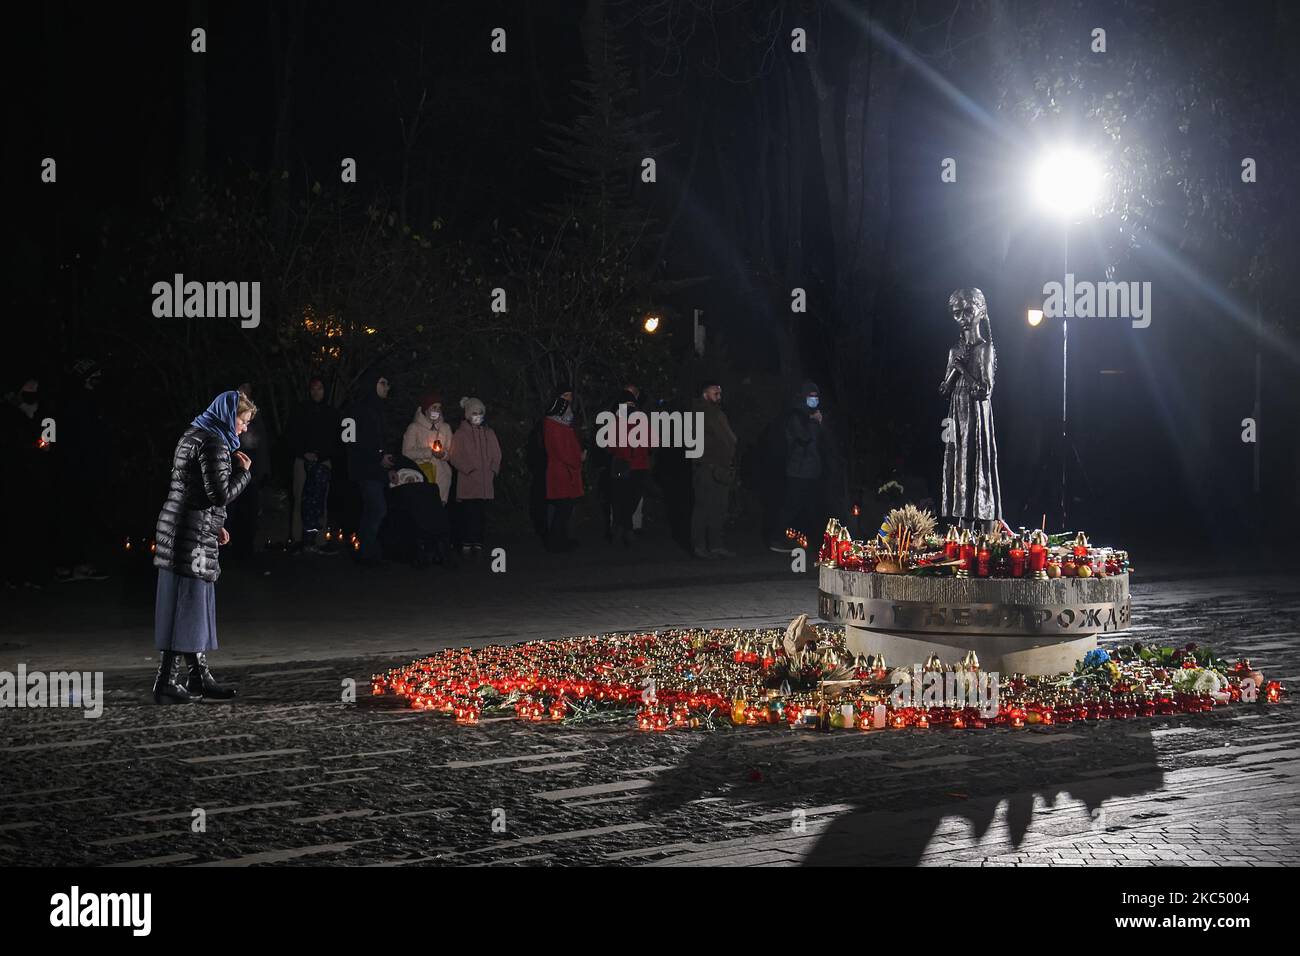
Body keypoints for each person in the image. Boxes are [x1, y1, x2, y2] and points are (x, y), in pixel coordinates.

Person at [151, 390, 255, 703]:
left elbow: (192, 488)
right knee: (188, 605)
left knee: (187, 607)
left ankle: (196, 677)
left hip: (185, 528)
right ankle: (168, 681)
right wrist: (244, 474)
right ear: (228, 415)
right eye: (242, 419)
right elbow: (218, 494)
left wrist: (215, 526)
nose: (244, 428)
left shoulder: (194, 434)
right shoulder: (214, 441)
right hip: (190, 536)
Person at [939, 288, 1002, 531]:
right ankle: (964, 524)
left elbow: (984, 390)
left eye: (968, 310)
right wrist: (952, 374)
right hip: (958, 414)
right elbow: (944, 389)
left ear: (981, 311)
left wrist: (963, 369)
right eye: (957, 313)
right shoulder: (954, 351)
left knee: (978, 464)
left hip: (977, 416)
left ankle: (985, 525)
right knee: (960, 464)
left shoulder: (984, 349)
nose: (963, 317)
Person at [0, 377, 54, 589]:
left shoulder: (46, 414)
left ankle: (34, 574)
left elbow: (49, 443)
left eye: (35, 387)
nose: (33, 390)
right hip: (14, 478)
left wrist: (41, 443)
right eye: (27, 387)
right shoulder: (8, 414)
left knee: (35, 526)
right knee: (14, 526)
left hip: (38, 478)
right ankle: (14, 575)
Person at [286, 375, 342, 550]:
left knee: (321, 500)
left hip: (323, 462)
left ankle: (319, 539)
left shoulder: (331, 413)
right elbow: (291, 436)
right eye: (314, 389)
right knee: (300, 498)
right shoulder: (300, 410)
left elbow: (336, 440)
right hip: (302, 461)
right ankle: (297, 538)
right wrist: (304, 453)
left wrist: (323, 455)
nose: (317, 392)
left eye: (320, 388)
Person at [771, 380, 826, 552]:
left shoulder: (815, 415)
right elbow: (803, 438)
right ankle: (776, 539)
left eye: (816, 397)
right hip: (797, 471)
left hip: (812, 471)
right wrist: (813, 421)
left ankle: (807, 540)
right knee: (791, 506)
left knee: (809, 507)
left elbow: (821, 443)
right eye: (810, 397)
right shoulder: (796, 416)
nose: (814, 400)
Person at [346, 369, 394, 565]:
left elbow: (380, 438)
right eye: (383, 383)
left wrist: (386, 462)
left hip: (374, 468)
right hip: (366, 467)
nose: (386, 387)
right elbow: (359, 441)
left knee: (372, 509)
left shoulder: (377, 409)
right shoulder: (363, 409)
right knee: (377, 508)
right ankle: (367, 550)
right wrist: (378, 457)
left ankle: (367, 550)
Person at [379, 456, 455, 569]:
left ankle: (437, 548)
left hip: (417, 489)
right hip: (401, 490)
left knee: (429, 497)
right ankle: (428, 550)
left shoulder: (403, 461)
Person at [691, 378, 737, 559]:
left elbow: (730, 439)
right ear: (705, 394)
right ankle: (699, 546)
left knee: (719, 507)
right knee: (703, 507)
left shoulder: (717, 413)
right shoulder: (699, 412)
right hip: (707, 467)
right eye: (714, 392)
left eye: (719, 392)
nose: (718, 395)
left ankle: (716, 544)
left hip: (721, 468)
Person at [448, 396, 501, 555]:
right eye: (474, 412)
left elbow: (496, 454)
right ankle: (466, 541)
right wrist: (468, 469)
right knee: (468, 513)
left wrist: (493, 469)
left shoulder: (489, 433)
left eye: (480, 413)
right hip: (469, 482)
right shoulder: (460, 433)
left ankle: (478, 541)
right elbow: (455, 455)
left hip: (485, 482)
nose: (477, 416)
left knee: (481, 514)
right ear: (468, 414)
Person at [224, 381, 271, 559]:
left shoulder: (254, 416)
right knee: (230, 507)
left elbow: (262, 443)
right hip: (233, 468)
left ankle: (245, 546)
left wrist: (263, 470)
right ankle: (228, 545)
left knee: (249, 509)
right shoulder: (227, 415)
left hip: (252, 470)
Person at [542, 387, 585, 551]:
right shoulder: (555, 425)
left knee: (564, 509)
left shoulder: (560, 423)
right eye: (566, 396)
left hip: (564, 472)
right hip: (563, 472)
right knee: (563, 509)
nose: (569, 400)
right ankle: (556, 542)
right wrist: (577, 459)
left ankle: (560, 540)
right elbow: (562, 451)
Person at [609, 386, 650, 547]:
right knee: (625, 499)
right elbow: (611, 446)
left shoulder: (638, 419)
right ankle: (626, 530)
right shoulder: (617, 420)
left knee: (630, 499)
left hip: (637, 465)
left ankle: (621, 529)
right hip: (625, 465)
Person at [401, 392, 454, 505]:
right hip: (422, 477)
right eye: (434, 407)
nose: (437, 410)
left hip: (442, 480)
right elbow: (406, 453)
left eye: (439, 408)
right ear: (426, 409)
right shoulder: (414, 428)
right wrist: (428, 452)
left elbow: (451, 453)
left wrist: (443, 455)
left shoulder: (445, 428)